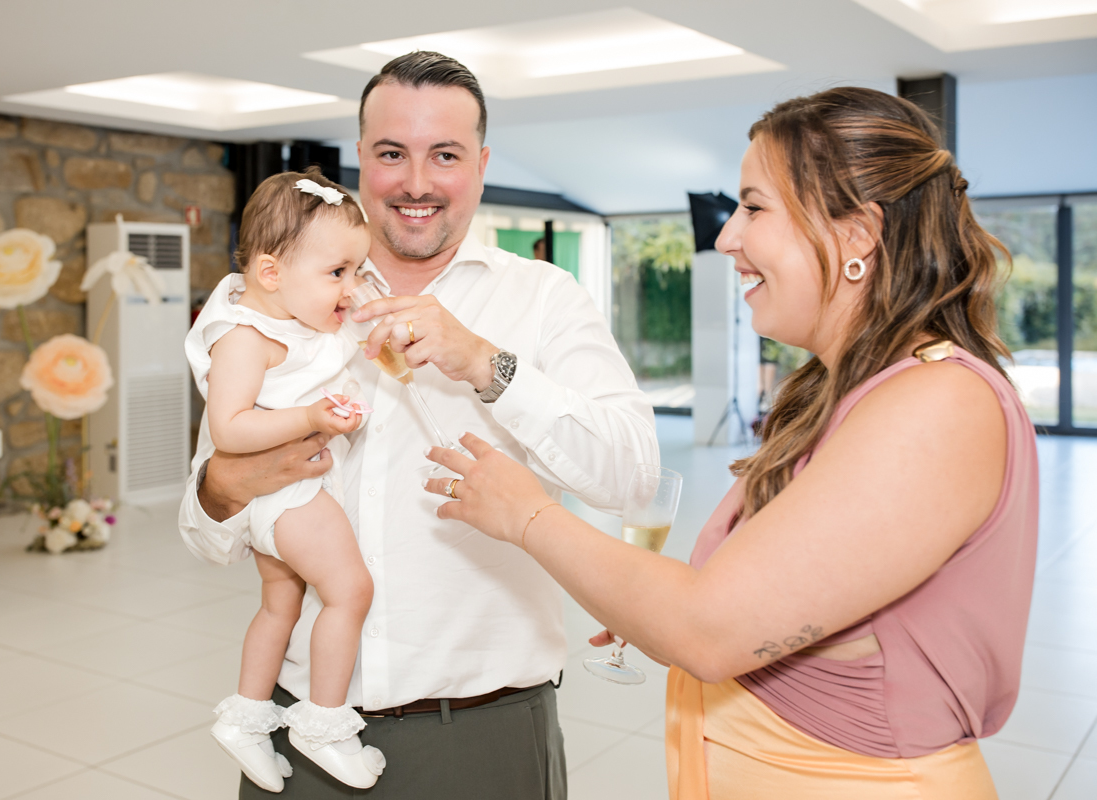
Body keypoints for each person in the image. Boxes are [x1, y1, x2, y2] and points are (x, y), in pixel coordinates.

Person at [422, 87, 1037, 799]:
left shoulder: (938, 404)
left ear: (857, 235)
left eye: (754, 207)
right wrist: (641, 601)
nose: (725, 238)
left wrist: (528, 515)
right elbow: (743, 605)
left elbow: (707, 629)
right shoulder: (840, 392)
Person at [178, 52, 658, 799]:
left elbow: (633, 477)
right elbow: (205, 532)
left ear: (482, 163)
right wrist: (219, 489)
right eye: (392, 154)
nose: (416, 183)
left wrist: (482, 363)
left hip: (484, 730)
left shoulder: (543, 297)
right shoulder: (260, 304)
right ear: (361, 158)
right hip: (299, 726)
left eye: (446, 156)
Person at [186, 170, 387, 791]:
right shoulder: (247, 338)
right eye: (338, 274)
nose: (351, 290)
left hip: (282, 499)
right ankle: (324, 723)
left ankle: (246, 717)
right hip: (288, 496)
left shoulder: (290, 323)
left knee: (281, 603)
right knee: (351, 591)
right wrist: (309, 417)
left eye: (357, 272)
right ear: (271, 274)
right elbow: (228, 429)